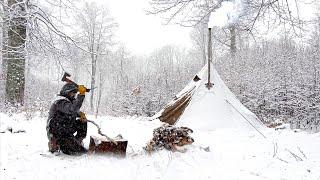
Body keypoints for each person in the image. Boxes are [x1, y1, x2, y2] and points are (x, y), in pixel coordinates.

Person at [46, 82, 88, 155]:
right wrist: (81, 95)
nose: (74, 95)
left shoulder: (69, 101)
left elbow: (72, 110)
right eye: (72, 93)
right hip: (57, 132)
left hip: (65, 129)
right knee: (77, 151)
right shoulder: (60, 101)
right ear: (67, 92)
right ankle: (55, 143)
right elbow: (71, 109)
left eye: (75, 93)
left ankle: (77, 140)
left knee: (82, 121)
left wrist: (80, 114)